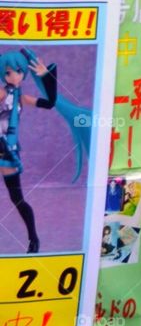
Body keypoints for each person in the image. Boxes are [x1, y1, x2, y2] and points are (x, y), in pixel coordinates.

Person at [0, 47, 90, 254]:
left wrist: (47, 76)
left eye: (18, 71)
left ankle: (33, 238)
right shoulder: (2, 93)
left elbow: (49, 103)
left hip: (8, 152)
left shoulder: (21, 97)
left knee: (17, 199)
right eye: (8, 72)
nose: (14, 76)